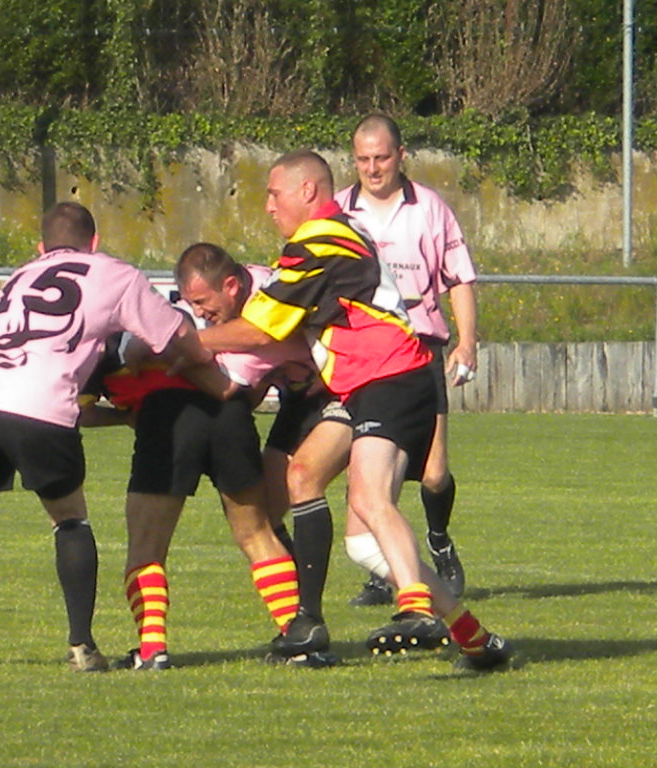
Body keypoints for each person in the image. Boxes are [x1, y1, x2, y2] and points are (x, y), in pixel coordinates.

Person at [0, 202, 217, 675]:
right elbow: (176, 334)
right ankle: (82, 646)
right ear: (94, 242)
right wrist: (214, 374)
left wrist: (114, 415)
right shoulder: (115, 273)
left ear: (41, 247)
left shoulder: (21, 275)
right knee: (70, 520)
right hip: (40, 405)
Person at [198, 150, 511, 670]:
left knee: (367, 499)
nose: (268, 206)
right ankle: (476, 640)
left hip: (391, 375)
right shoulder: (333, 235)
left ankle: (413, 610)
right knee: (343, 519)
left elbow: (262, 329)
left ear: (307, 191)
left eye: (274, 194)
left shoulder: (320, 239)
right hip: (373, 383)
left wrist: (185, 342)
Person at [95, 242, 322, 670]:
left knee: (147, 544)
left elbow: (220, 383)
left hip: (172, 416)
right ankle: (301, 640)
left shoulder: (258, 317)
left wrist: (164, 348)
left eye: (203, 303)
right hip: (230, 420)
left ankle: (152, 650)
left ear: (231, 286)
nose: (200, 312)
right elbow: (237, 390)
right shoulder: (259, 287)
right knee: (257, 534)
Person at [335, 113, 477, 605]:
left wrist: (467, 342)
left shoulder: (430, 208)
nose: (372, 168)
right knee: (374, 466)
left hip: (421, 348)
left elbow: (459, 278)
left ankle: (439, 540)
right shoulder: (339, 212)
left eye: (381, 158)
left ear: (401, 156)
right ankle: (382, 570)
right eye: (363, 159)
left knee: (433, 473)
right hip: (366, 354)